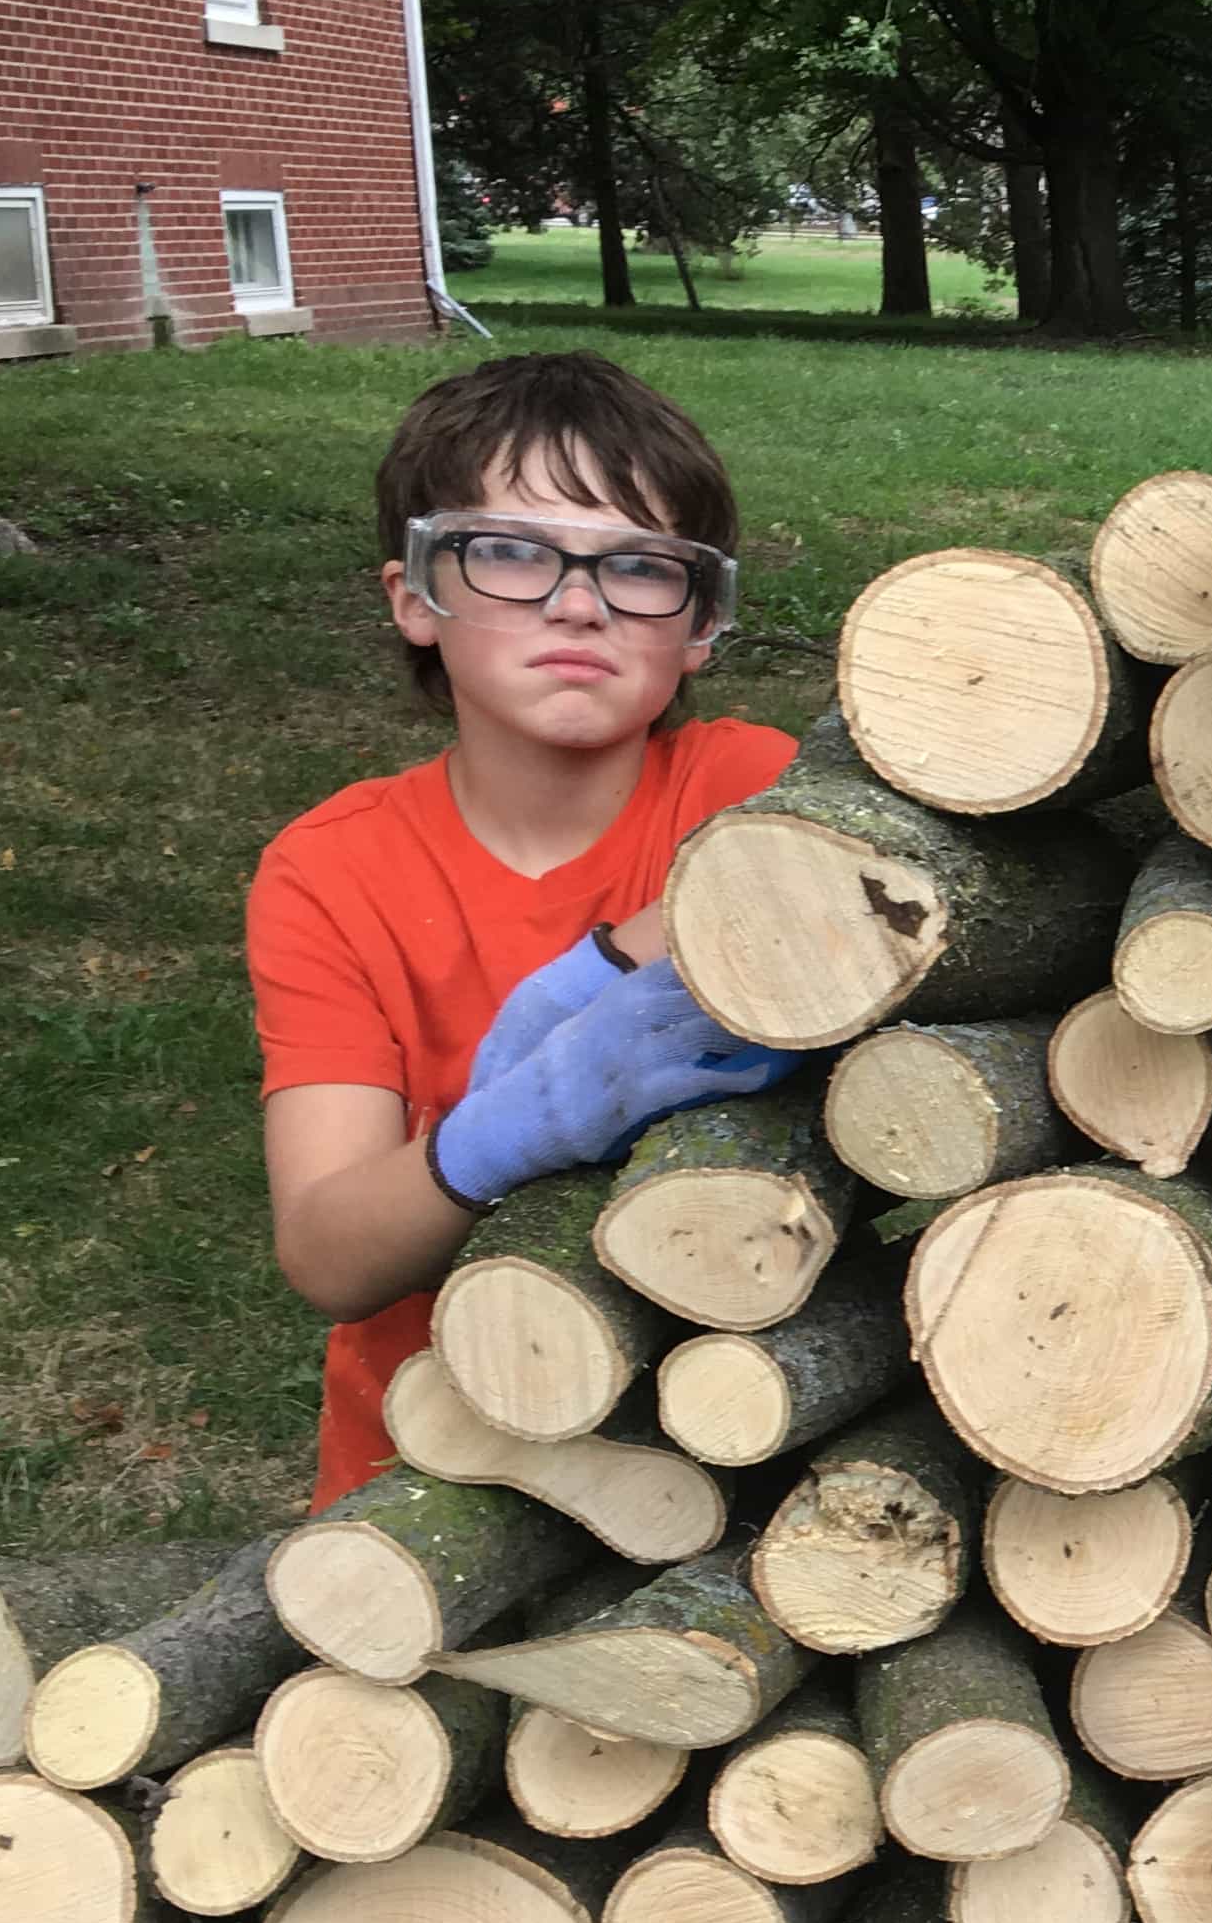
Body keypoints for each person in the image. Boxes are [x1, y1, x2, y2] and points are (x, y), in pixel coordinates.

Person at [249, 351, 799, 1502]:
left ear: (699, 626)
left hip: (725, 1444)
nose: (579, 601)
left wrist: (605, 964)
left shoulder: (754, 790)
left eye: (643, 567)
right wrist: (501, 1135)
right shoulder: (331, 871)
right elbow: (328, 1253)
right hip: (431, 1460)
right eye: (509, 551)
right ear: (413, 594)